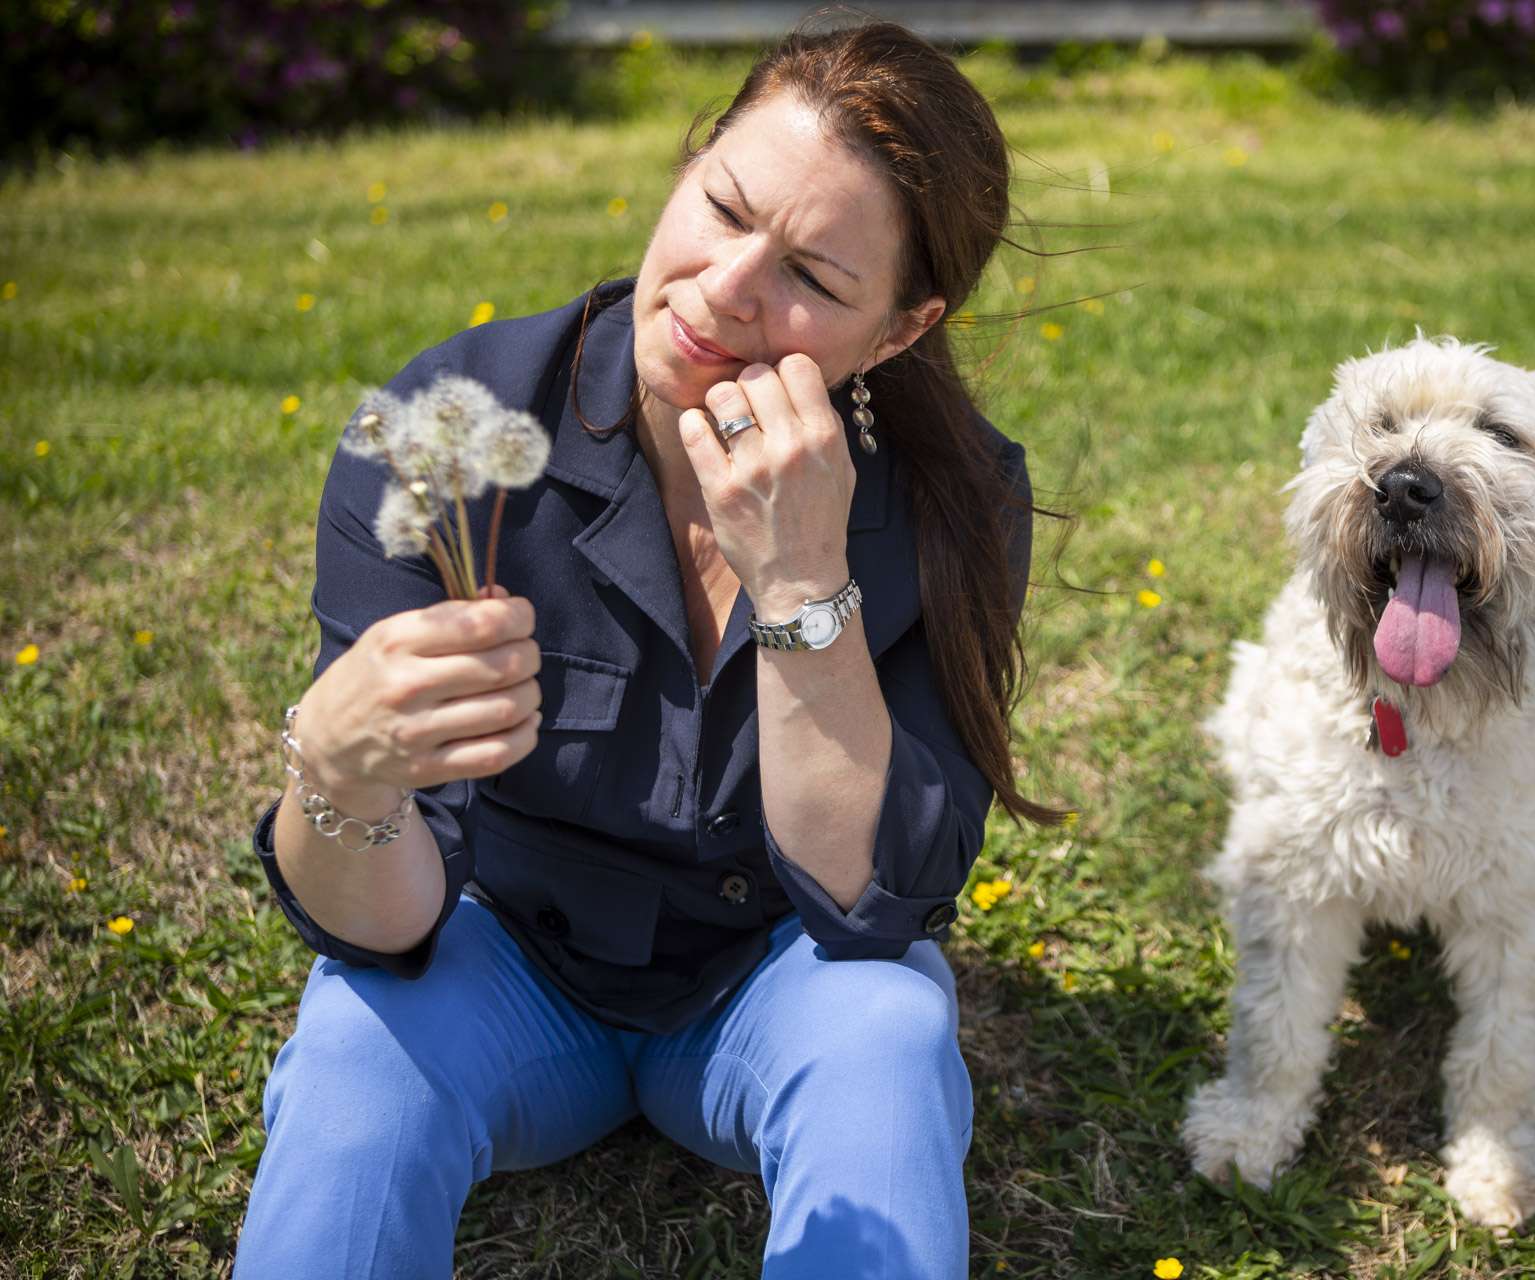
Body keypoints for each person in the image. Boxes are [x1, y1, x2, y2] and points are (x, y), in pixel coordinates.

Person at [233, 21, 1055, 1280]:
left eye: (816, 280)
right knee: (353, 1046)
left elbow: (865, 903)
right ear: (688, 163)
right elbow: (384, 934)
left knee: (892, 1029)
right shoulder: (455, 433)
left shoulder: (955, 498)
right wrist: (338, 775)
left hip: (773, 979)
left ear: (898, 331)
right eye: (722, 206)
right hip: (495, 962)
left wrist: (800, 581)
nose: (728, 287)